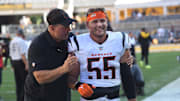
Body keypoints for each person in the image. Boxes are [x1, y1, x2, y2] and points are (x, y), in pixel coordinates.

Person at [69, 8, 136, 101]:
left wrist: (132, 98)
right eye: (95, 22)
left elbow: (126, 73)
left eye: (102, 21)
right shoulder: (77, 42)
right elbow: (70, 77)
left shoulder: (120, 39)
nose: (99, 24)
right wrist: (78, 86)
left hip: (114, 98)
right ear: (88, 25)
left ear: (107, 22)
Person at [24, 8, 81, 101]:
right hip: (39, 97)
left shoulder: (70, 40)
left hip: (62, 95)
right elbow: (39, 77)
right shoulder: (38, 44)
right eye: (64, 27)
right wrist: (63, 69)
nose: (69, 29)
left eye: (69, 26)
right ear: (51, 28)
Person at [9, 28, 29, 101]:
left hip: (14, 61)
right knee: (24, 82)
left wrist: (12, 65)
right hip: (20, 62)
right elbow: (22, 54)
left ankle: (18, 98)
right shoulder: (21, 41)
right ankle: (23, 98)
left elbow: (10, 55)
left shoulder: (12, 41)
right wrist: (26, 64)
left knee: (18, 82)